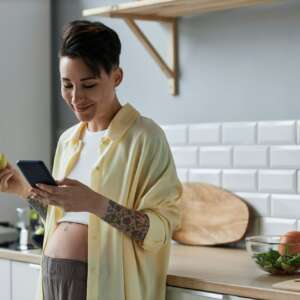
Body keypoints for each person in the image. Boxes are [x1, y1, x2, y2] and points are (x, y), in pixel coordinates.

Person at [0, 20, 182, 300]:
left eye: (88, 84)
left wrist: (96, 204)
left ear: (117, 77)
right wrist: (22, 189)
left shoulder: (145, 137)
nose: (76, 98)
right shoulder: (69, 140)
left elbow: (161, 229)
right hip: (54, 276)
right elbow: (61, 217)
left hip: (105, 285)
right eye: (67, 85)